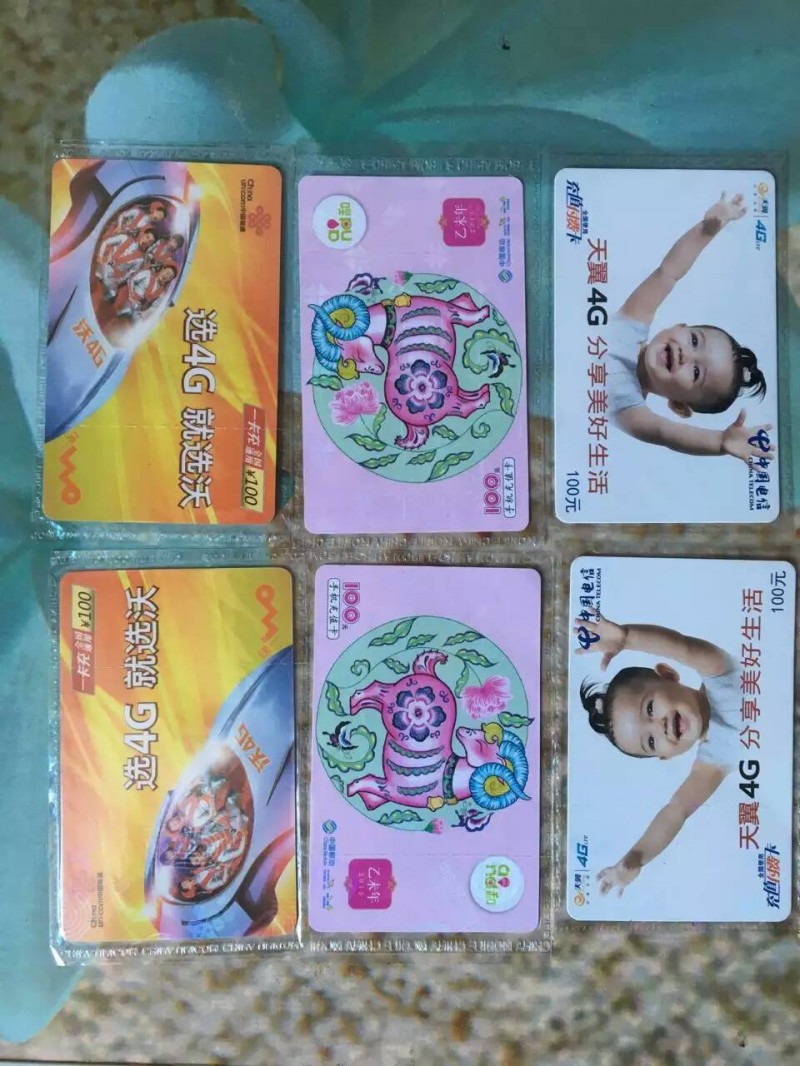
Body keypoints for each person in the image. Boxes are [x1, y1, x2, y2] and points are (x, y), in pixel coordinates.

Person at [575, 613, 740, 897]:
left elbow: (682, 647)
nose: (659, 726)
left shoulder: (720, 673)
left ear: (668, 675)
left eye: (650, 708)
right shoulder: (713, 762)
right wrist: (636, 857)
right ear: (665, 756)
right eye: (651, 742)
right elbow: (676, 811)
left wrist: (627, 637)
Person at [606, 192, 773, 464]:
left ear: (678, 405)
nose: (686, 355)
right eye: (694, 341)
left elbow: (665, 434)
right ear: (679, 326)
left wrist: (720, 442)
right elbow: (669, 273)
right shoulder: (633, 320)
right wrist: (706, 230)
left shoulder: (630, 409)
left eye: (696, 373)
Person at [94, 228, 156, 300]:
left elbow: (129, 274)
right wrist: (100, 256)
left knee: (112, 294)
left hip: (112, 276)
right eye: (147, 237)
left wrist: (118, 282)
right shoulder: (124, 238)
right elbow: (106, 243)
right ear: (142, 234)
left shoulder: (140, 260)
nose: (147, 241)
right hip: (103, 265)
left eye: (150, 242)